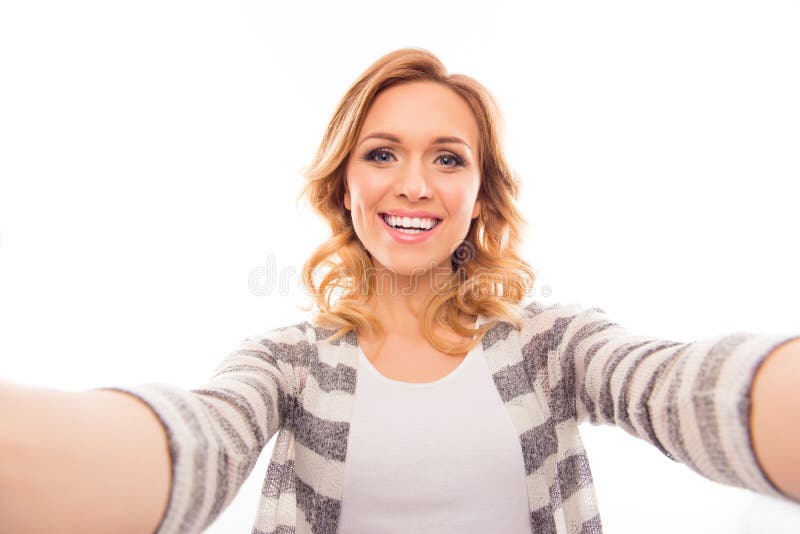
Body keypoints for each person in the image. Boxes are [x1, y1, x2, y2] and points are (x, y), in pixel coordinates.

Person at [1, 47, 799, 534]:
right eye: (382, 154)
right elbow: (196, 444)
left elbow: (683, 389)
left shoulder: (553, 344)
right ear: (344, 187)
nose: (413, 184)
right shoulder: (285, 361)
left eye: (447, 159)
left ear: (482, 195)